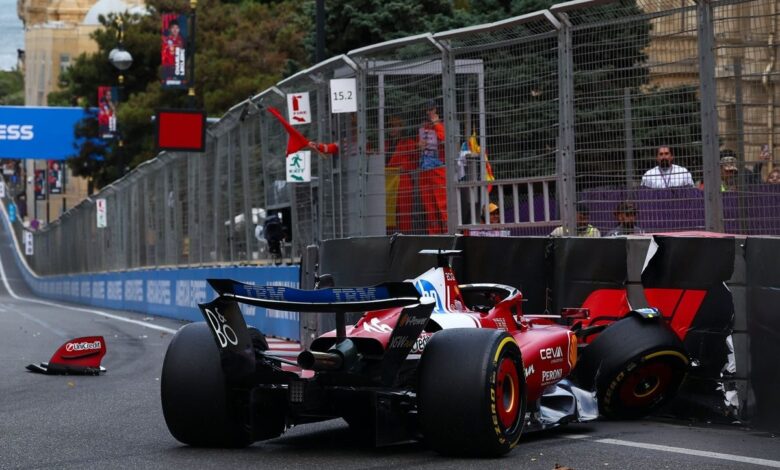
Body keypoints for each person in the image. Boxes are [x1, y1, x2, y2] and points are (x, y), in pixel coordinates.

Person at [418, 100, 447, 234]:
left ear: (436, 110)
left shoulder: (442, 125)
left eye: (431, 109)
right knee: (429, 208)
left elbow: (445, 139)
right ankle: (434, 235)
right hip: (425, 170)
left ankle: (448, 233)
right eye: (427, 110)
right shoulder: (424, 127)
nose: (428, 112)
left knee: (442, 205)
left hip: (439, 169)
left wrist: (436, 123)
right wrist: (418, 146)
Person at [385, 116, 417, 233]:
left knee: (403, 214)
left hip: (403, 182)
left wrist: (404, 168)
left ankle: (404, 238)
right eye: (390, 126)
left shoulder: (408, 142)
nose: (392, 129)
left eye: (395, 126)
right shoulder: (386, 144)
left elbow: (415, 162)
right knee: (389, 213)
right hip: (389, 183)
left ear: (401, 127)